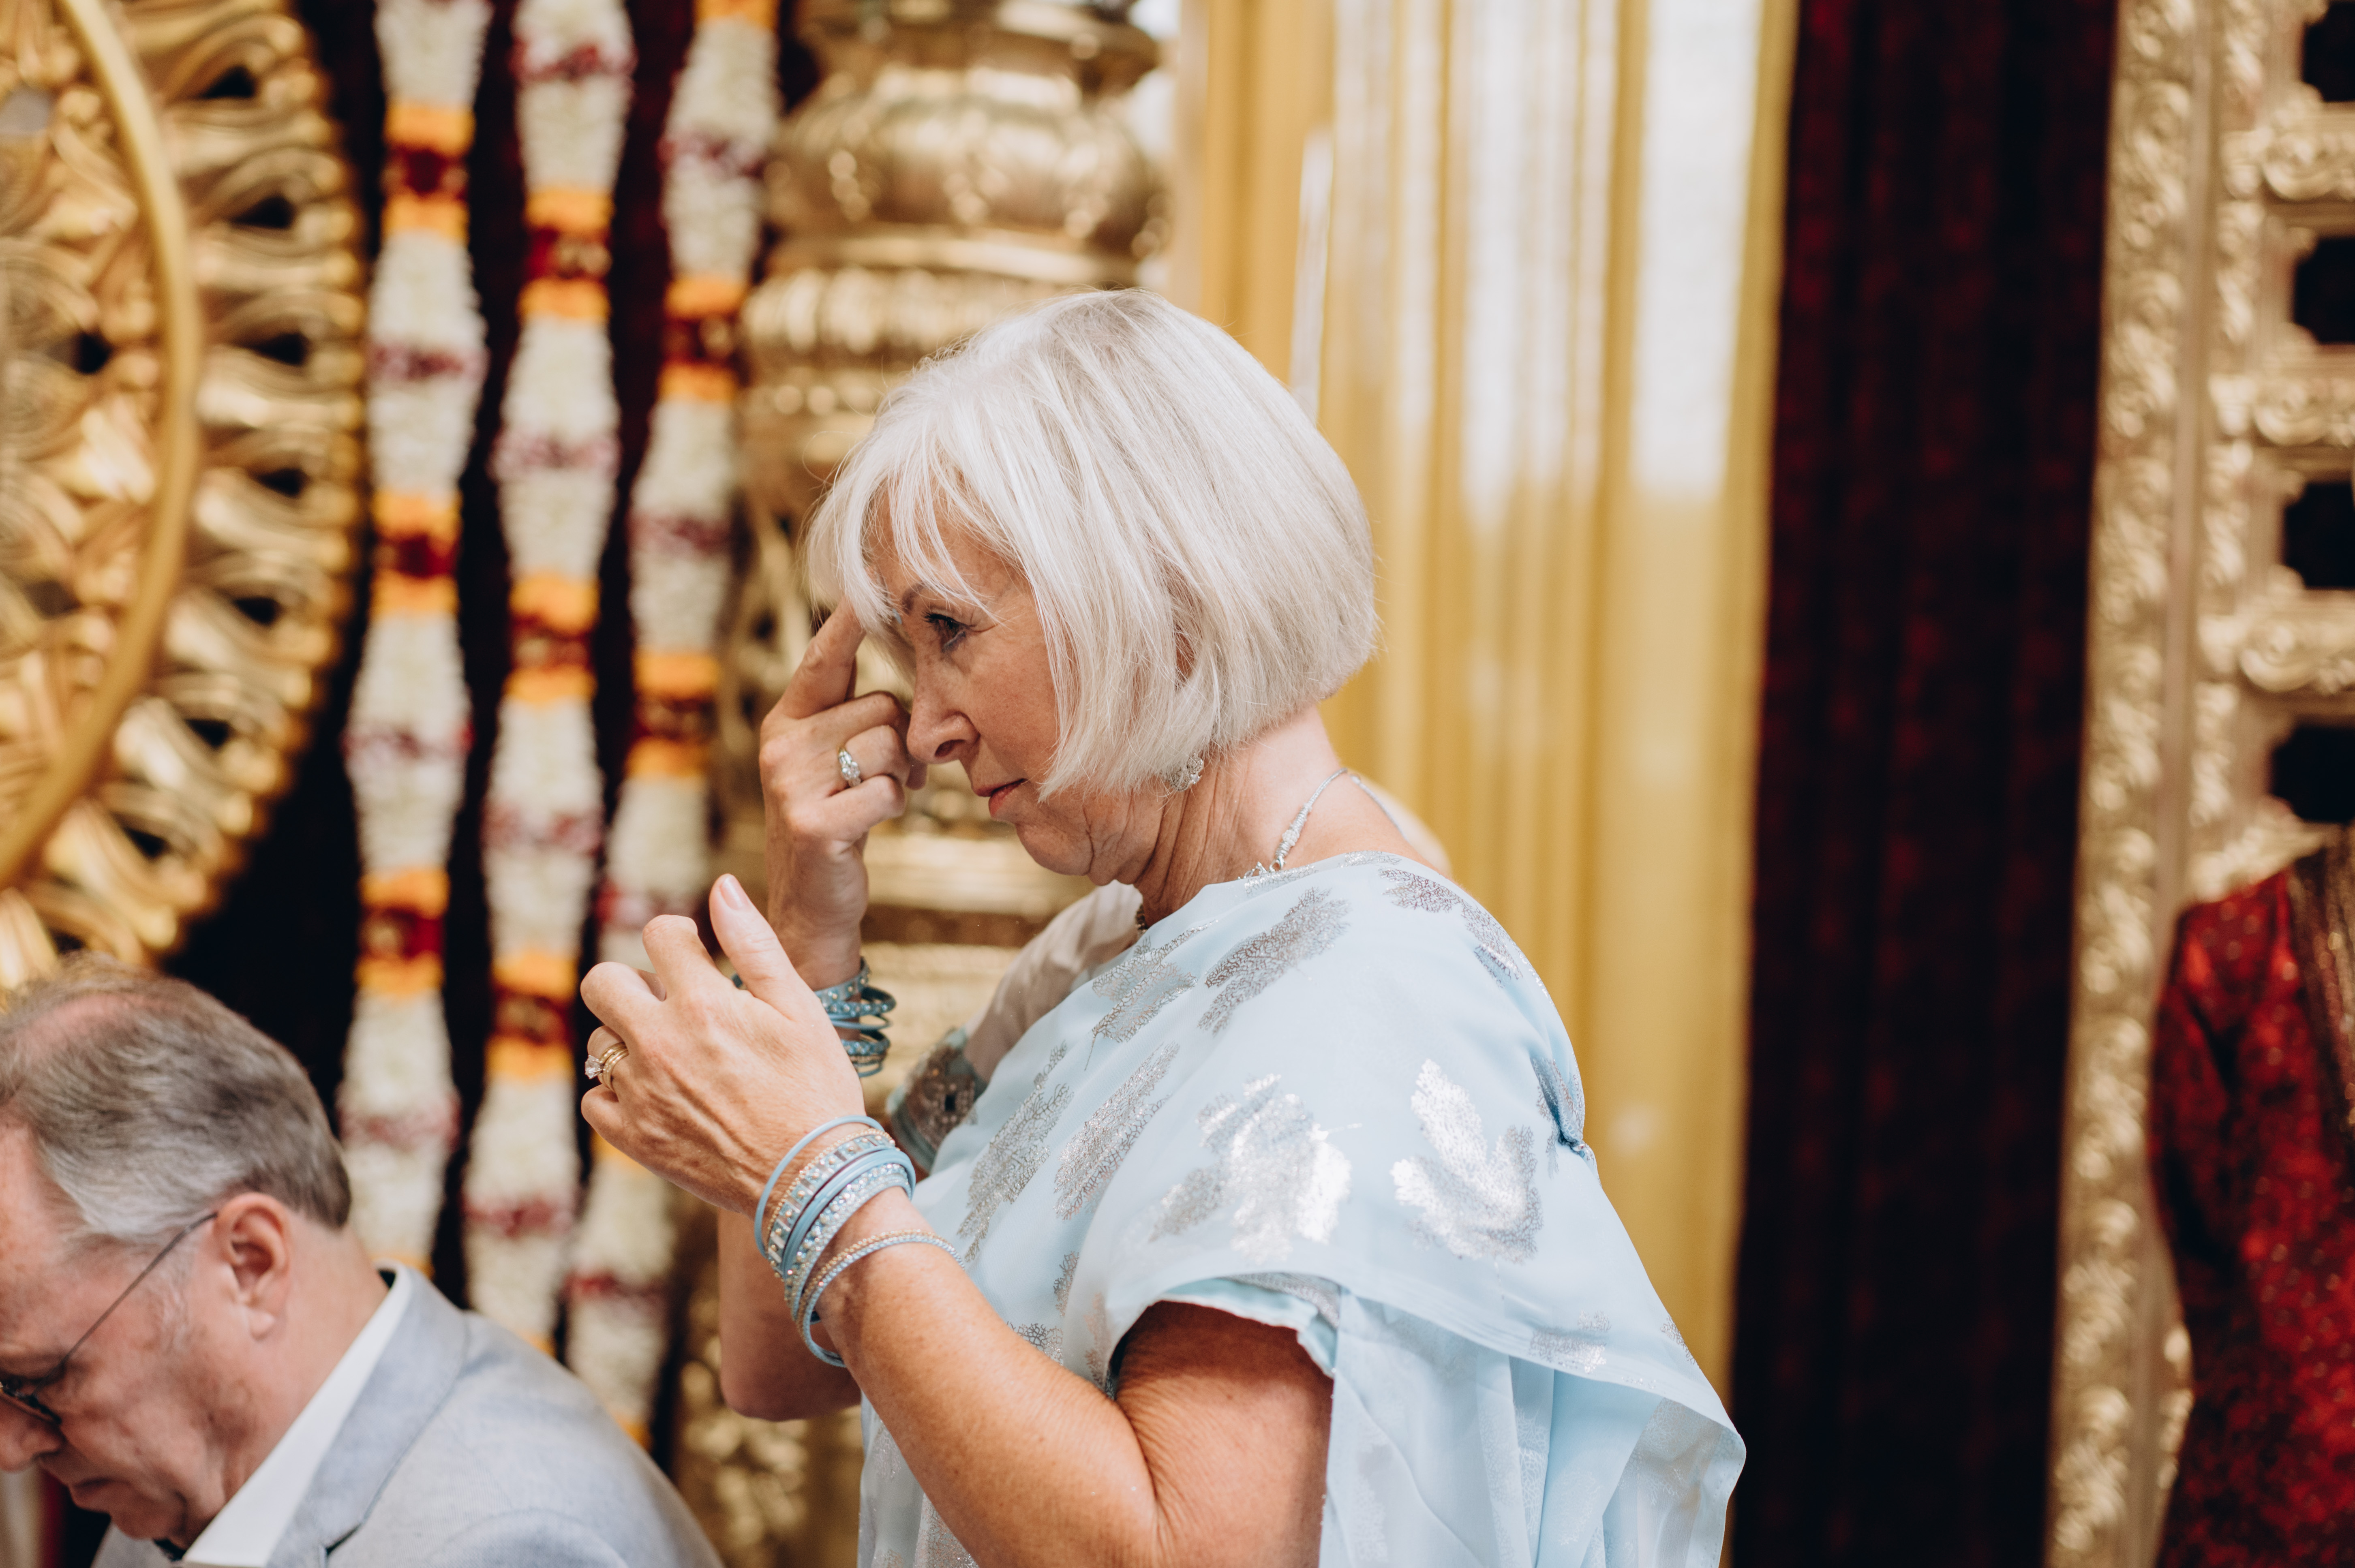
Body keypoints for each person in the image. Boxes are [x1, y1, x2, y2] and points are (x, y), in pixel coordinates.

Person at [580, 289, 1743, 1567]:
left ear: (1155, 586)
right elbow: (784, 1359)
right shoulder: (1089, 962)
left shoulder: (1371, 988)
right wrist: (810, 916)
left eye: (950, 631)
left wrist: (814, 1172)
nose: (924, 726)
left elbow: (1182, 1548)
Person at [0, 958, 719, 1568]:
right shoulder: (183, 1480)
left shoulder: (507, 1543)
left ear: (250, 1262)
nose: (12, 1446)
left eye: (35, 1381)